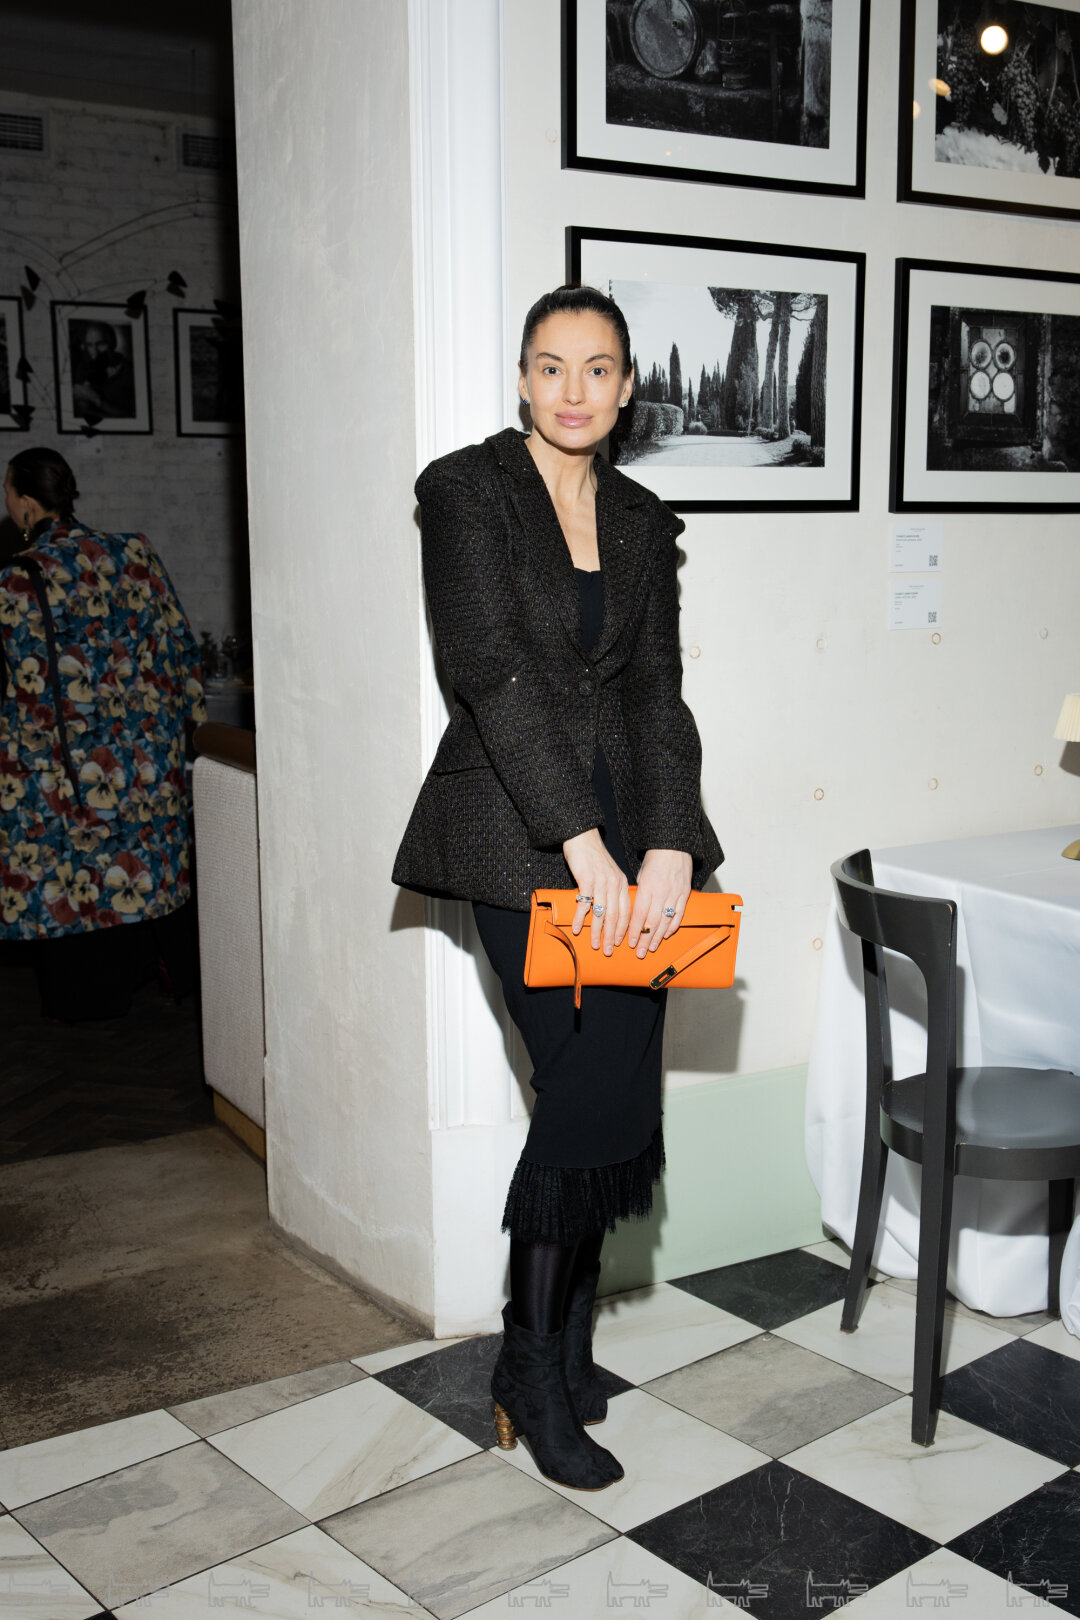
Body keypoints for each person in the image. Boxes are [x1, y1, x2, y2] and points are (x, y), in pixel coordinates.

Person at [393, 285, 722, 1490]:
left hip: (635, 840)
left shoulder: (641, 517)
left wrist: (671, 842)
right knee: (584, 1088)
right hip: (513, 836)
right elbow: (489, 671)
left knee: (613, 1087)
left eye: (596, 369)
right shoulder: (465, 491)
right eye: (550, 366)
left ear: (627, 387)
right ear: (523, 377)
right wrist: (584, 847)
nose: (572, 390)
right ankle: (528, 1368)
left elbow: (656, 688)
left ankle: (564, 1347)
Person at [0, 447, 205, 1019]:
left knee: (75, 877)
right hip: (146, 760)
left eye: (8, 492)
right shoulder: (135, 551)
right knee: (142, 870)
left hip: (68, 771)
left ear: (26, 503)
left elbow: (22, 686)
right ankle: (161, 971)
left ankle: (87, 1001)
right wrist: (189, 731)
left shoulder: (17, 579)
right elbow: (181, 647)